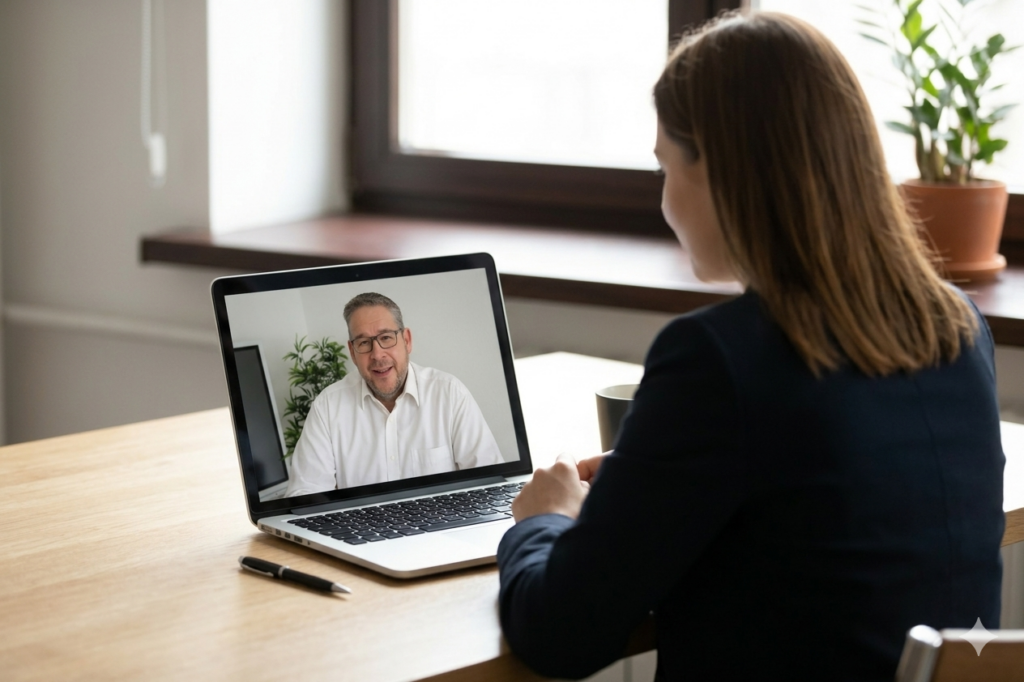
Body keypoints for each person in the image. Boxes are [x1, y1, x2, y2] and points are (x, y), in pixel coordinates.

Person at [496, 11, 1004, 681]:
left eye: (665, 168)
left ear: (719, 168)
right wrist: (653, 473)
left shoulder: (716, 359)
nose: (665, 202)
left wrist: (543, 521)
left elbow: (559, 634)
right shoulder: (958, 328)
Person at [285, 292, 503, 495]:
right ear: (352, 352)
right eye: (363, 343)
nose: (377, 354)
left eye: (386, 338)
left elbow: (491, 484)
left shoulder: (449, 393)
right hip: (364, 532)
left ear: (406, 340)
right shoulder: (327, 407)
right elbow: (305, 495)